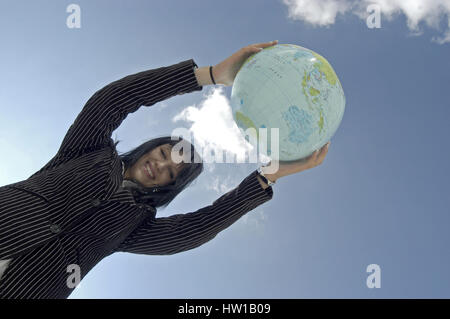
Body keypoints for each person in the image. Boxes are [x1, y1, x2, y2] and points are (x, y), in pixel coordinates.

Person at [0, 40, 330, 298]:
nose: (160, 165)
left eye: (171, 173)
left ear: (166, 187)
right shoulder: (89, 151)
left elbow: (196, 228)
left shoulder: (135, 224)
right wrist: (210, 75)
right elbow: (111, 100)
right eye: (162, 153)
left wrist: (267, 176)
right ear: (150, 148)